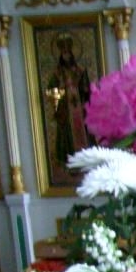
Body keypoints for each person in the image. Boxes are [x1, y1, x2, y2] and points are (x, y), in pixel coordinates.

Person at [46, 33, 91, 176]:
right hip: (66, 110)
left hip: (79, 108)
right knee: (67, 137)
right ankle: (71, 165)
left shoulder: (80, 71)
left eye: (68, 50)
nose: (66, 53)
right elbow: (51, 89)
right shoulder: (57, 73)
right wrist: (57, 93)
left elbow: (86, 88)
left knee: (84, 134)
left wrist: (85, 89)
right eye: (63, 50)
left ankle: (87, 163)